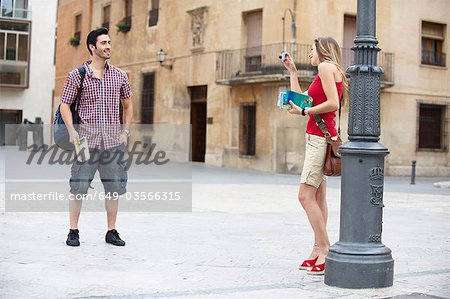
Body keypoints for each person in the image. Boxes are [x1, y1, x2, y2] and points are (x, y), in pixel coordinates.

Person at [60, 27, 133, 247]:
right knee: (78, 187)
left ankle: (111, 231)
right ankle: (73, 231)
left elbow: (128, 106)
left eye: (109, 42)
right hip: (84, 142)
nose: (108, 46)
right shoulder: (77, 75)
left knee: (114, 188)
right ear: (93, 47)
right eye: (104, 43)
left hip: (113, 143)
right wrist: (72, 131)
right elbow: (65, 105)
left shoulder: (120, 75)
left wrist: (125, 131)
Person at [281, 37, 348, 275]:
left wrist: (306, 111)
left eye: (311, 50)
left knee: (305, 196)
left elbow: (331, 104)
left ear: (322, 51)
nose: (309, 53)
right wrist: (293, 72)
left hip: (320, 139)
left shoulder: (326, 67)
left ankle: (326, 249)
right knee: (318, 198)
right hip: (319, 137)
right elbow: (301, 99)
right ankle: (317, 249)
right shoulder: (324, 73)